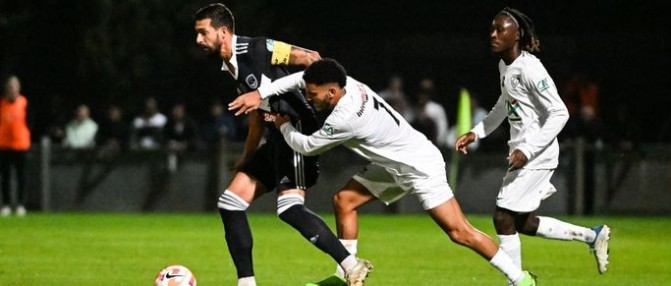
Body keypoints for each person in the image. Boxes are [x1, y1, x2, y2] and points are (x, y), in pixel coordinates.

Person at [229, 58, 537, 286]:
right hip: (394, 164)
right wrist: (260, 94)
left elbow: (306, 146)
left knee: (459, 232)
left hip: (419, 166)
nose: (308, 98)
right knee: (344, 201)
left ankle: (520, 279)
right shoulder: (348, 84)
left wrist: (282, 123)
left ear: (333, 92)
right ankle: (349, 276)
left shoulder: (344, 118)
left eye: (313, 94)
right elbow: (299, 79)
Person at [193, 4, 371, 286]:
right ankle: (246, 283)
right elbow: (256, 114)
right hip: (276, 135)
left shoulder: (259, 49)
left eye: (203, 33)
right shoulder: (230, 66)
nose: (198, 40)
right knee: (229, 204)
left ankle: (352, 265)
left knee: (288, 208)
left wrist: (322, 108)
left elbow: (311, 58)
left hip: (297, 130)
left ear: (223, 32)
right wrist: (247, 156)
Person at [454, 7, 611, 282]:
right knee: (523, 222)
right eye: (492, 29)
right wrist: (477, 131)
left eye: (500, 29)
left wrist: (527, 150)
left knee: (502, 217)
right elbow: (505, 104)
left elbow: (560, 113)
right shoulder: (506, 65)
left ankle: (516, 280)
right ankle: (592, 235)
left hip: (537, 154)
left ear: (517, 35)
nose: (493, 34)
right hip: (525, 153)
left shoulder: (530, 69)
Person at [0, 75, 31, 217]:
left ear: (18, 88)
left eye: (15, 86)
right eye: (10, 86)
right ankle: (6, 204)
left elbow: (30, 122)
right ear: (6, 88)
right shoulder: (2, 104)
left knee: (21, 176)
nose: (12, 89)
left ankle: (20, 204)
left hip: (21, 145)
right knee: (5, 177)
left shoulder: (24, 103)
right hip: (4, 145)